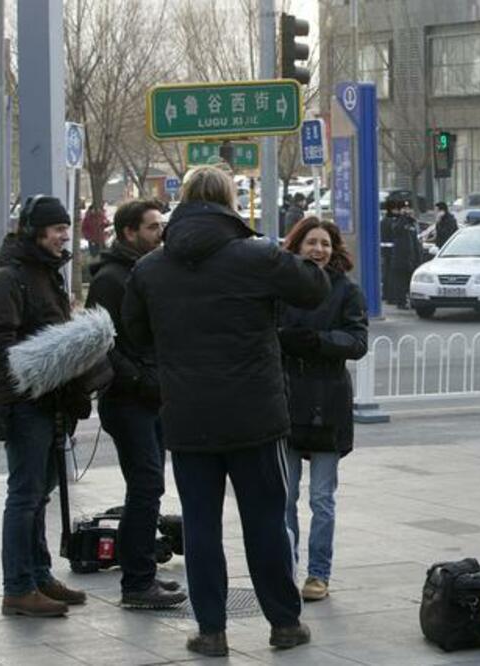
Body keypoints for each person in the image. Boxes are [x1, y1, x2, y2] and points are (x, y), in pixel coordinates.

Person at [121, 166, 330, 657]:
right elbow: (314, 290)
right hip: (255, 416)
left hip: (188, 417)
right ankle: (284, 624)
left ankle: (211, 630)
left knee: (200, 525)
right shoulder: (255, 255)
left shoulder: (150, 268)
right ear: (229, 203)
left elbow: (135, 333)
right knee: (265, 521)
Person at [0, 195, 91, 617]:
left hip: (51, 400)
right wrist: (31, 380)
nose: (66, 234)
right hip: (25, 404)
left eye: (67, 227)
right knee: (24, 496)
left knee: (40, 493)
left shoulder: (48, 273)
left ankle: (39, 574)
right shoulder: (10, 277)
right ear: (35, 231)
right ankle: (18, 587)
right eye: (57, 228)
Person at [85, 199, 187, 609]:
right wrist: (143, 381)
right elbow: (104, 345)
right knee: (145, 486)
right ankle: (137, 582)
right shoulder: (112, 278)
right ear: (129, 232)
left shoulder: (146, 271)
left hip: (150, 395)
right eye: (151, 227)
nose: (159, 233)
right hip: (129, 400)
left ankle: (142, 574)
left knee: (148, 486)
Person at [279, 218, 368, 603]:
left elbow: (358, 340)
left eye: (325, 243)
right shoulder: (280, 288)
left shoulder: (346, 290)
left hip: (328, 399)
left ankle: (318, 574)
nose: (319, 249)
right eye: (311, 242)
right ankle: (284, 570)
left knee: (321, 498)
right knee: (283, 497)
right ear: (297, 246)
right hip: (284, 399)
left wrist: (319, 341)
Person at [389, 200, 422, 309]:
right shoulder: (397, 221)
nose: (407, 211)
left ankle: (410, 301)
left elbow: (416, 241)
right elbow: (395, 231)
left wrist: (418, 257)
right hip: (400, 258)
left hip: (411, 258)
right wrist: (403, 217)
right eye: (404, 209)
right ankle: (401, 302)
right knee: (400, 282)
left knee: (409, 282)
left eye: (408, 208)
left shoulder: (412, 223)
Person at [379, 200, 400, 304]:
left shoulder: (383, 221)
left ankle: (386, 294)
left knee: (386, 274)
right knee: (392, 274)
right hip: (392, 251)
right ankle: (391, 296)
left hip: (384, 250)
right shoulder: (393, 222)